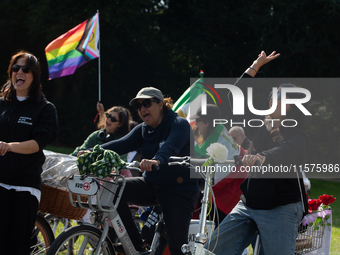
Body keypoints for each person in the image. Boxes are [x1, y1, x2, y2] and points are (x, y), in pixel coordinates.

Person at [204, 51, 310, 255]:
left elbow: (283, 152)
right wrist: (255, 66)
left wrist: (261, 157)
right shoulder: (261, 124)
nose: (271, 100)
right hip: (249, 203)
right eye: (272, 95)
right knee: (212, 251)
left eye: (278, 96)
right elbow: (233, 96)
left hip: (282, 207)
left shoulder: (299, 136)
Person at [79, 87, 199, 254]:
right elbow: (120, 144)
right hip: (153, 185)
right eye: (139, 106)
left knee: (176, 247)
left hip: (179, 191)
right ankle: (137, 246)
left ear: (161, 105)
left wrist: (157, 160)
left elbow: (171, 145)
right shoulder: (143, 129)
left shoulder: (179, 124)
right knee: (113, 189)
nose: (142, 109)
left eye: (147, 103)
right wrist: (92, 152)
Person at [0, 51, 58, 254]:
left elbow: (38, 143)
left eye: (25, 68)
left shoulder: (45, 109)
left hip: (24, 187)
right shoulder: (2, 104)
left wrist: (9, 146)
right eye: (15, 68)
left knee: (17, 247)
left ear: (34, 75)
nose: (19, 72)